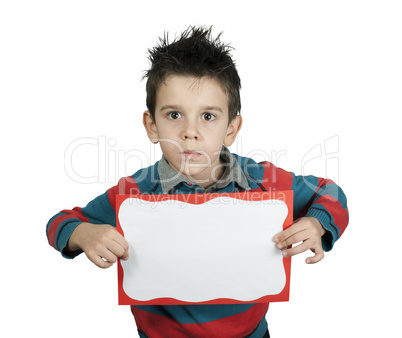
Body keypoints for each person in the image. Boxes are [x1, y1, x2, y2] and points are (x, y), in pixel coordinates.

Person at [46, 26, 348, 338]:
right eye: (174, 115)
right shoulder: (134, 193)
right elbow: (59, 223)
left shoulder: (263, 181)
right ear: (152, 125)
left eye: (208, 116)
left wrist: (317, 222)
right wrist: (84, 232)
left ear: (231, 128)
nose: (191, 131)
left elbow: (330, 192)